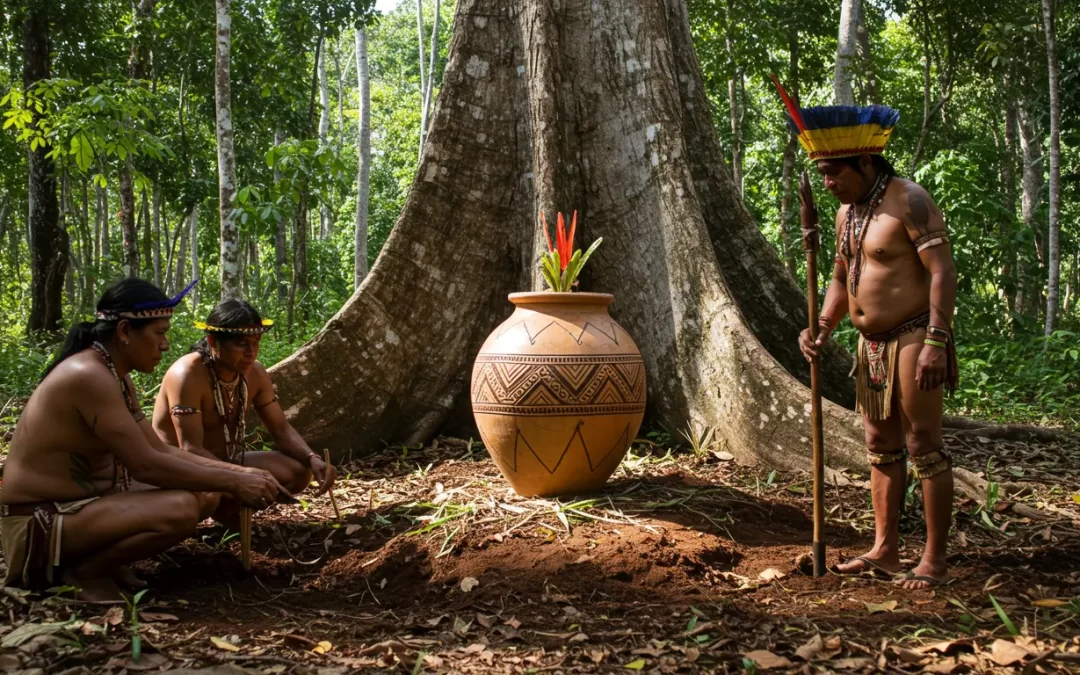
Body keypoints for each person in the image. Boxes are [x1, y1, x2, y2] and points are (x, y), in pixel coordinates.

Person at [774, 84, 959, 589]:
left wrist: (937, 340)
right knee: (879, 444)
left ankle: (934, 559)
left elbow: (942, 271)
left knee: (924, 444)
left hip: (915, 336)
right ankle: (885, 550)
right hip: (870, 345)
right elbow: (841, 277)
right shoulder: (847, 213)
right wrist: (822, 326)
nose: (828, 183)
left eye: (835, 173)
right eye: (823, 174)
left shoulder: (909, 201)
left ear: (866, 163)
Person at [0, 279, 287, 602]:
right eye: (159, 333)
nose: (165, 344)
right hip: (38, 525)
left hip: (80, 510)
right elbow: (146, 466)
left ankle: (106, 563)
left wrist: (239, 473)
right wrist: (234, 480)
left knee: (205, 492)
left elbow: (158, 449)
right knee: (180, 509)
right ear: (124, 331)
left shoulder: (114, 375)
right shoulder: (88, 375)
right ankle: (85, 573)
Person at [152, 299, 335, 530]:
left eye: (256, 342)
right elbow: (190, 449)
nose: (251, 352)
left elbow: (280, 428)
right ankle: (214, 510)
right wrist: (241, 476)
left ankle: (229, 512)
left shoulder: (255, 373)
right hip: (183, 468)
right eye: (241, 344)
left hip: (228, 462)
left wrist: (312, 458)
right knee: (210, 494)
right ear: (213, 341)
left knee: (299, 472)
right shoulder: (187, 374)